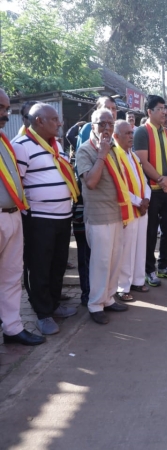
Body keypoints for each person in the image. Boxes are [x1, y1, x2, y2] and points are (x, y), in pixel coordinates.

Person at [13, 104, 79, 335]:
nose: (59, 123)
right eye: (54, 119)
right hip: (39, 219)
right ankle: (42, 313)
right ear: (39, 121)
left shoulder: (57, 146)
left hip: (63, 216)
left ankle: (53, 305)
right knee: (38, 267)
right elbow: (16, 185)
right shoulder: (20, 146)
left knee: (58, 264)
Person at [76, 109, 131, 324]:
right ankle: (95, 304)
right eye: (102, 124)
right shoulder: (85, 150)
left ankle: (108, 298)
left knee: (115, 260)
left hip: (117, 214)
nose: (106, 128)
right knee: (100, 262)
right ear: (92, 125)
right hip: (98, 217)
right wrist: (101, 154)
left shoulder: (114, 150)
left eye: (110, 124)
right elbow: (90, 182)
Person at [0, 88, 46, 346]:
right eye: (1, 108)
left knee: (10, 276)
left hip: (13, 215)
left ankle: (13, 327)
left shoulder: (4, 140)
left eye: (6, 108)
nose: (5, 113)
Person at [134, 95, 167, 285]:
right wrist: (161, 179)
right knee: (151, 231)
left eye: (165, 109)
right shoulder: (142, 133)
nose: (164, 112)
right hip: (150, 190)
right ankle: (149, 269)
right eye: (160, 109)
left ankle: (163, 265)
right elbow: (142, 161)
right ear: (149, 112)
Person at [113, 120, 151, 299]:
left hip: (142, 208)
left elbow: (143, 181)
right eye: (126, 133)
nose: (131, 136)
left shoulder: (134, 156)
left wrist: (146, 199)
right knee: (126, 249)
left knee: (139, 247)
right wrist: (138, 202)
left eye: (131, 133)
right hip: (129, 209)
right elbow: (120, 187)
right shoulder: (115, 156)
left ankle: (138, 280)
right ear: (116, 136)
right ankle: (123, 287)